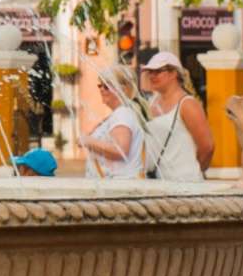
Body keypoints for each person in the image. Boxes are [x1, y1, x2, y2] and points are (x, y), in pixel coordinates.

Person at [140, 51, 212, 181]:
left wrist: (191, 170)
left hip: (186, 182)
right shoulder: (152, 103)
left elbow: (207, 147)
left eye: (158, 71)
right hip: (158, 181)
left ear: (174, 73)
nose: (152, 76)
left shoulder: (187, 104)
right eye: (150, 72)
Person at [79, 65, 147, 179]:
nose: (101, 89)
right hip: (114, 184)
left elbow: (120, 151)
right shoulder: (120, 113)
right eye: (100, 85)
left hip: (118, 185)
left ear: (123, 89)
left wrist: (88, 141)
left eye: (106, 86)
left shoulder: (123, 114)